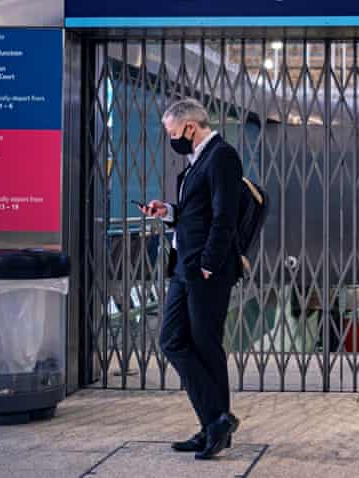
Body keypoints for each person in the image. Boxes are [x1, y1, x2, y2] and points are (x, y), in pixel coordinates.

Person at [141, 98, 242, 460]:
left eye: (172, 133)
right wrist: (168, 211)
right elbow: (196, 214)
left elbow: (224, 216)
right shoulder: (199, 160)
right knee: (172, 340)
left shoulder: (222, 156)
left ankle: (214, 425)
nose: (172, 139)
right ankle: (215, 421)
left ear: (189, 127)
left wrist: (208, 264)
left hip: (204, 270)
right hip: (185, 267)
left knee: (205, 346)